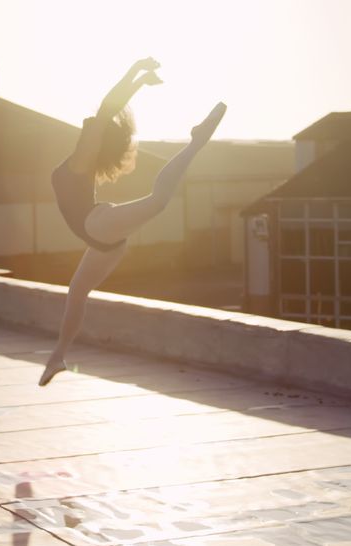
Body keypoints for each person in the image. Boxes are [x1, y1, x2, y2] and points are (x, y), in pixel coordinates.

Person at [39, 57, 226, 387]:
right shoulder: (81, 157)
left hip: (98, 226)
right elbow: (106, 110)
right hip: (102, 240)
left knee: (157, 201)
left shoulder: (84, 153)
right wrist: (139, 79)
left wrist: (135, 72)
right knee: (77, 292)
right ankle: (58, 357)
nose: (88, 123)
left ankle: (196, 141)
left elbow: (109, 105)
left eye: (92, 125)